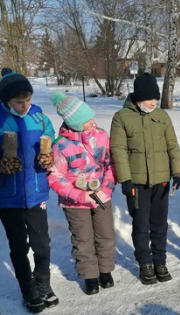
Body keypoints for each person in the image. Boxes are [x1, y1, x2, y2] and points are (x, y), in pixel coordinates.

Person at [110, 73, 180, 285]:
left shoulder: (162, 116)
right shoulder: (122, 117)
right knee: (141, 225)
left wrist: (177, 172)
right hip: (137, 184)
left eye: (156, 99)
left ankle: (160, 261)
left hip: (161, 181)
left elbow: (172, 145)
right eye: (149, 99)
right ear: (138, 97)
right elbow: (119, 150)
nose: (153, 102)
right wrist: (125, 179)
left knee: (160, 225)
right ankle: (145, 263)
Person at [48, 92, 116, 295]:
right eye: (86, 121)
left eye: (91, 118)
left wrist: (106, 188)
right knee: (82, 238)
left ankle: (105, 270)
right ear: (74, 123)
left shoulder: (101, 135)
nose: (92, 122)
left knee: (105, 234)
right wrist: (79, 195)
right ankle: (89, 275)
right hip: (75, 202)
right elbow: (55, 177)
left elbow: (110, 164)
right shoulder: (61, 145)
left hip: (101, 195)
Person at [0, 72, 58, 313]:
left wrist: (48, 155)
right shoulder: (1, 121)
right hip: (8, 197)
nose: (24, 106)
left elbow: (51, 140)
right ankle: (28, 288)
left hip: (35, 193)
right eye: (18, 102)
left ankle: (43, 282)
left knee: (42, 243)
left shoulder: (39, 118)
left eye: (28, 100)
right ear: (6, 102)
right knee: (18, 246)